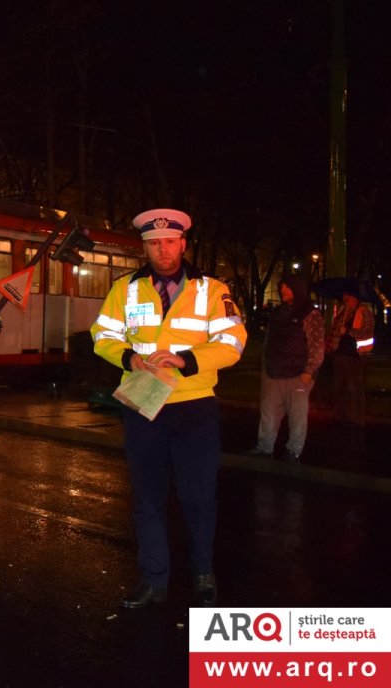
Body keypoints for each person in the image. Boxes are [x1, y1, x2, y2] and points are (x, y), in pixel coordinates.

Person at [90, 208, 246, 609]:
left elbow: (233, 342)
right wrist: (128, 358)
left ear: (183, 244)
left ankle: (202, 572)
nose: (163, 249)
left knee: (198, 495)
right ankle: (153, 580)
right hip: (144, 403)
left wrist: (186, 360)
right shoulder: (125, 288)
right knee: (147, 498)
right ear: (145, 246)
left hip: (194, 406)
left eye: (170, 242)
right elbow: (102, 335)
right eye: (154, 243)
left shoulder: (212, 290)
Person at [247, 275, 324, 463]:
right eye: (282, 287)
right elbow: (269, 340)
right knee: (269, 414)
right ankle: (265, 447)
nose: (282, 290)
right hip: (273, 373)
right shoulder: (279, 313)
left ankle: (293, 451)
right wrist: (265, 367)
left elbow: (317, 345)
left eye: (286, 287)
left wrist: (308, 373)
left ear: (296, 289)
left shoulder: (310, 314)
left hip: (297, 375)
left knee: (297, 416)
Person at [327, 284, 376, 426]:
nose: (344, 299)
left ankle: (357, 419)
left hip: (355, 357)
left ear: (354, 297)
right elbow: (335, 331)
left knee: (354, 388)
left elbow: (367, 332)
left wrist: (348, 331)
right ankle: (341, 416)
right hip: (340, 354)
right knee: (339, 387)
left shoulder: (364, 312)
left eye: (346, 297)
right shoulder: (343, 311)